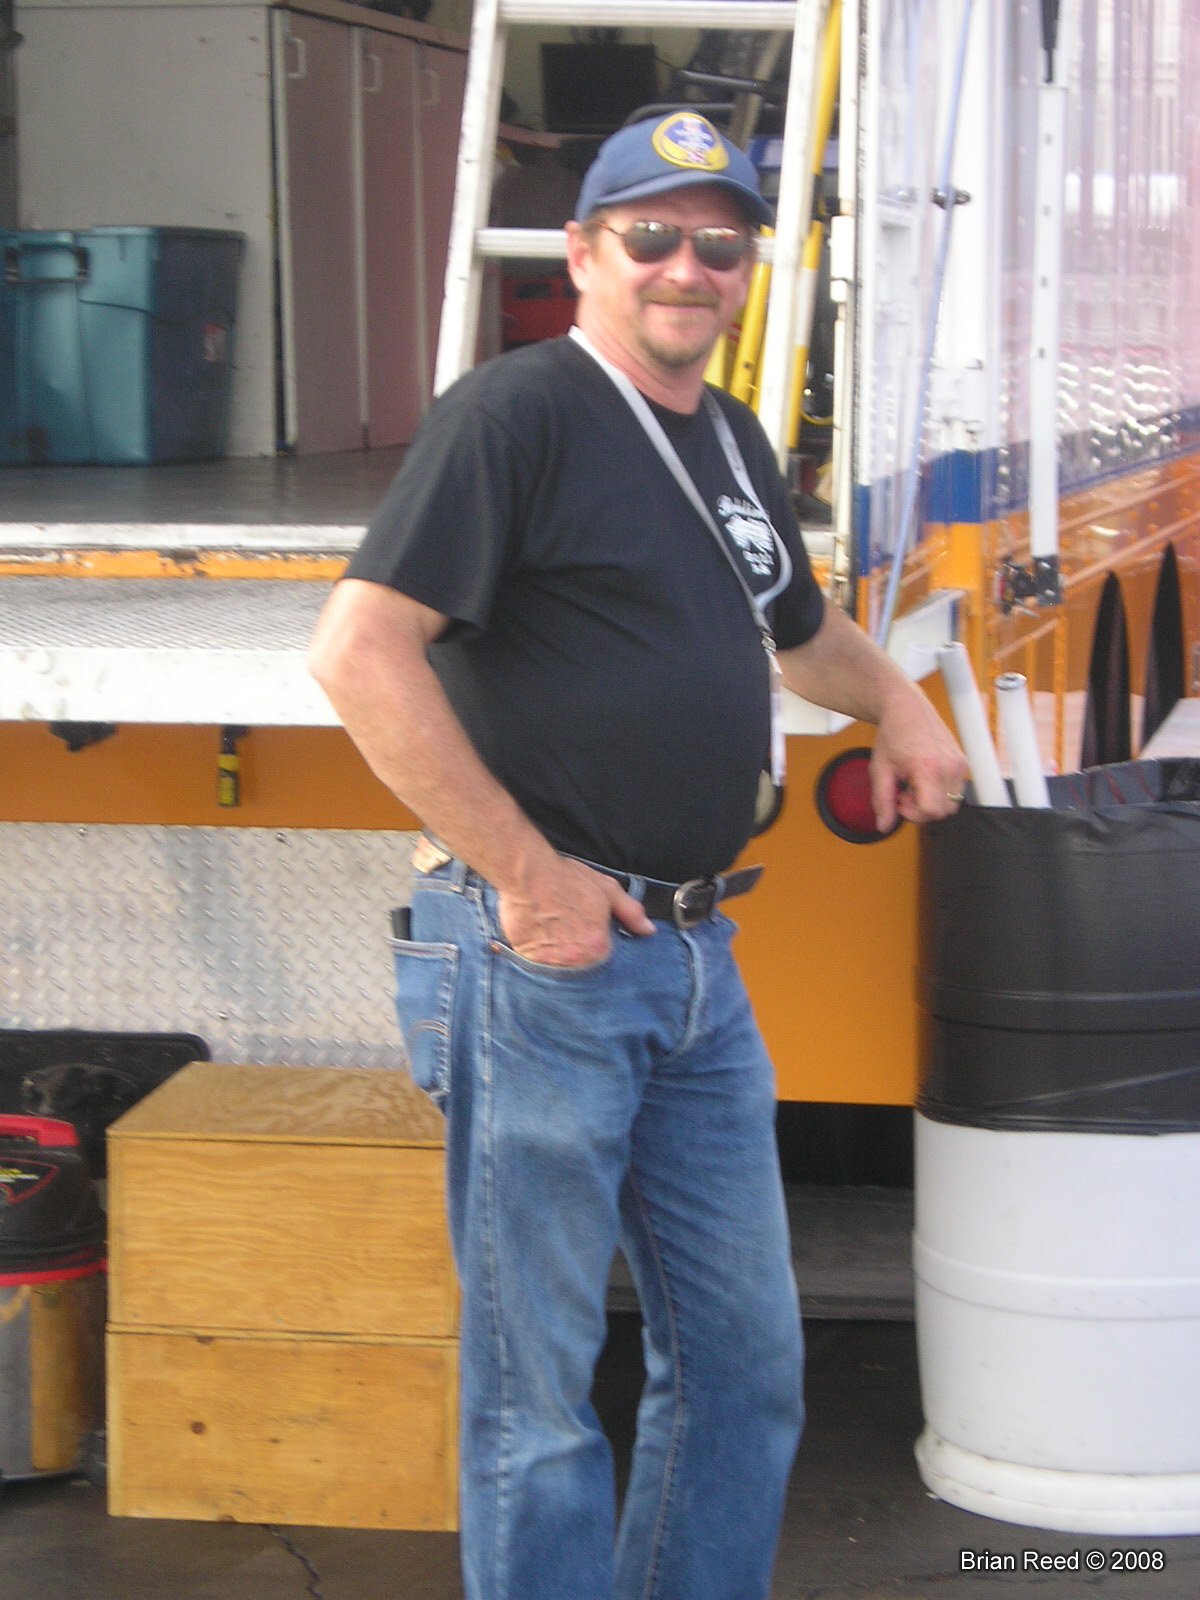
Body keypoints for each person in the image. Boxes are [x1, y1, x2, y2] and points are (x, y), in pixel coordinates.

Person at [310, 110, 968, 1600]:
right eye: (652, 236)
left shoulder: (727, 435)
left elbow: (798, 630)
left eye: (719, 243)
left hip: (692, 963)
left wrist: (903, 701)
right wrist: (530, 875)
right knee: (537, 1399)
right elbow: (359, 652)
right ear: (584, 252)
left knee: (745, 1363)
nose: (688, 266)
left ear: (748, 270)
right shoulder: (517, 413)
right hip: (538, 962)